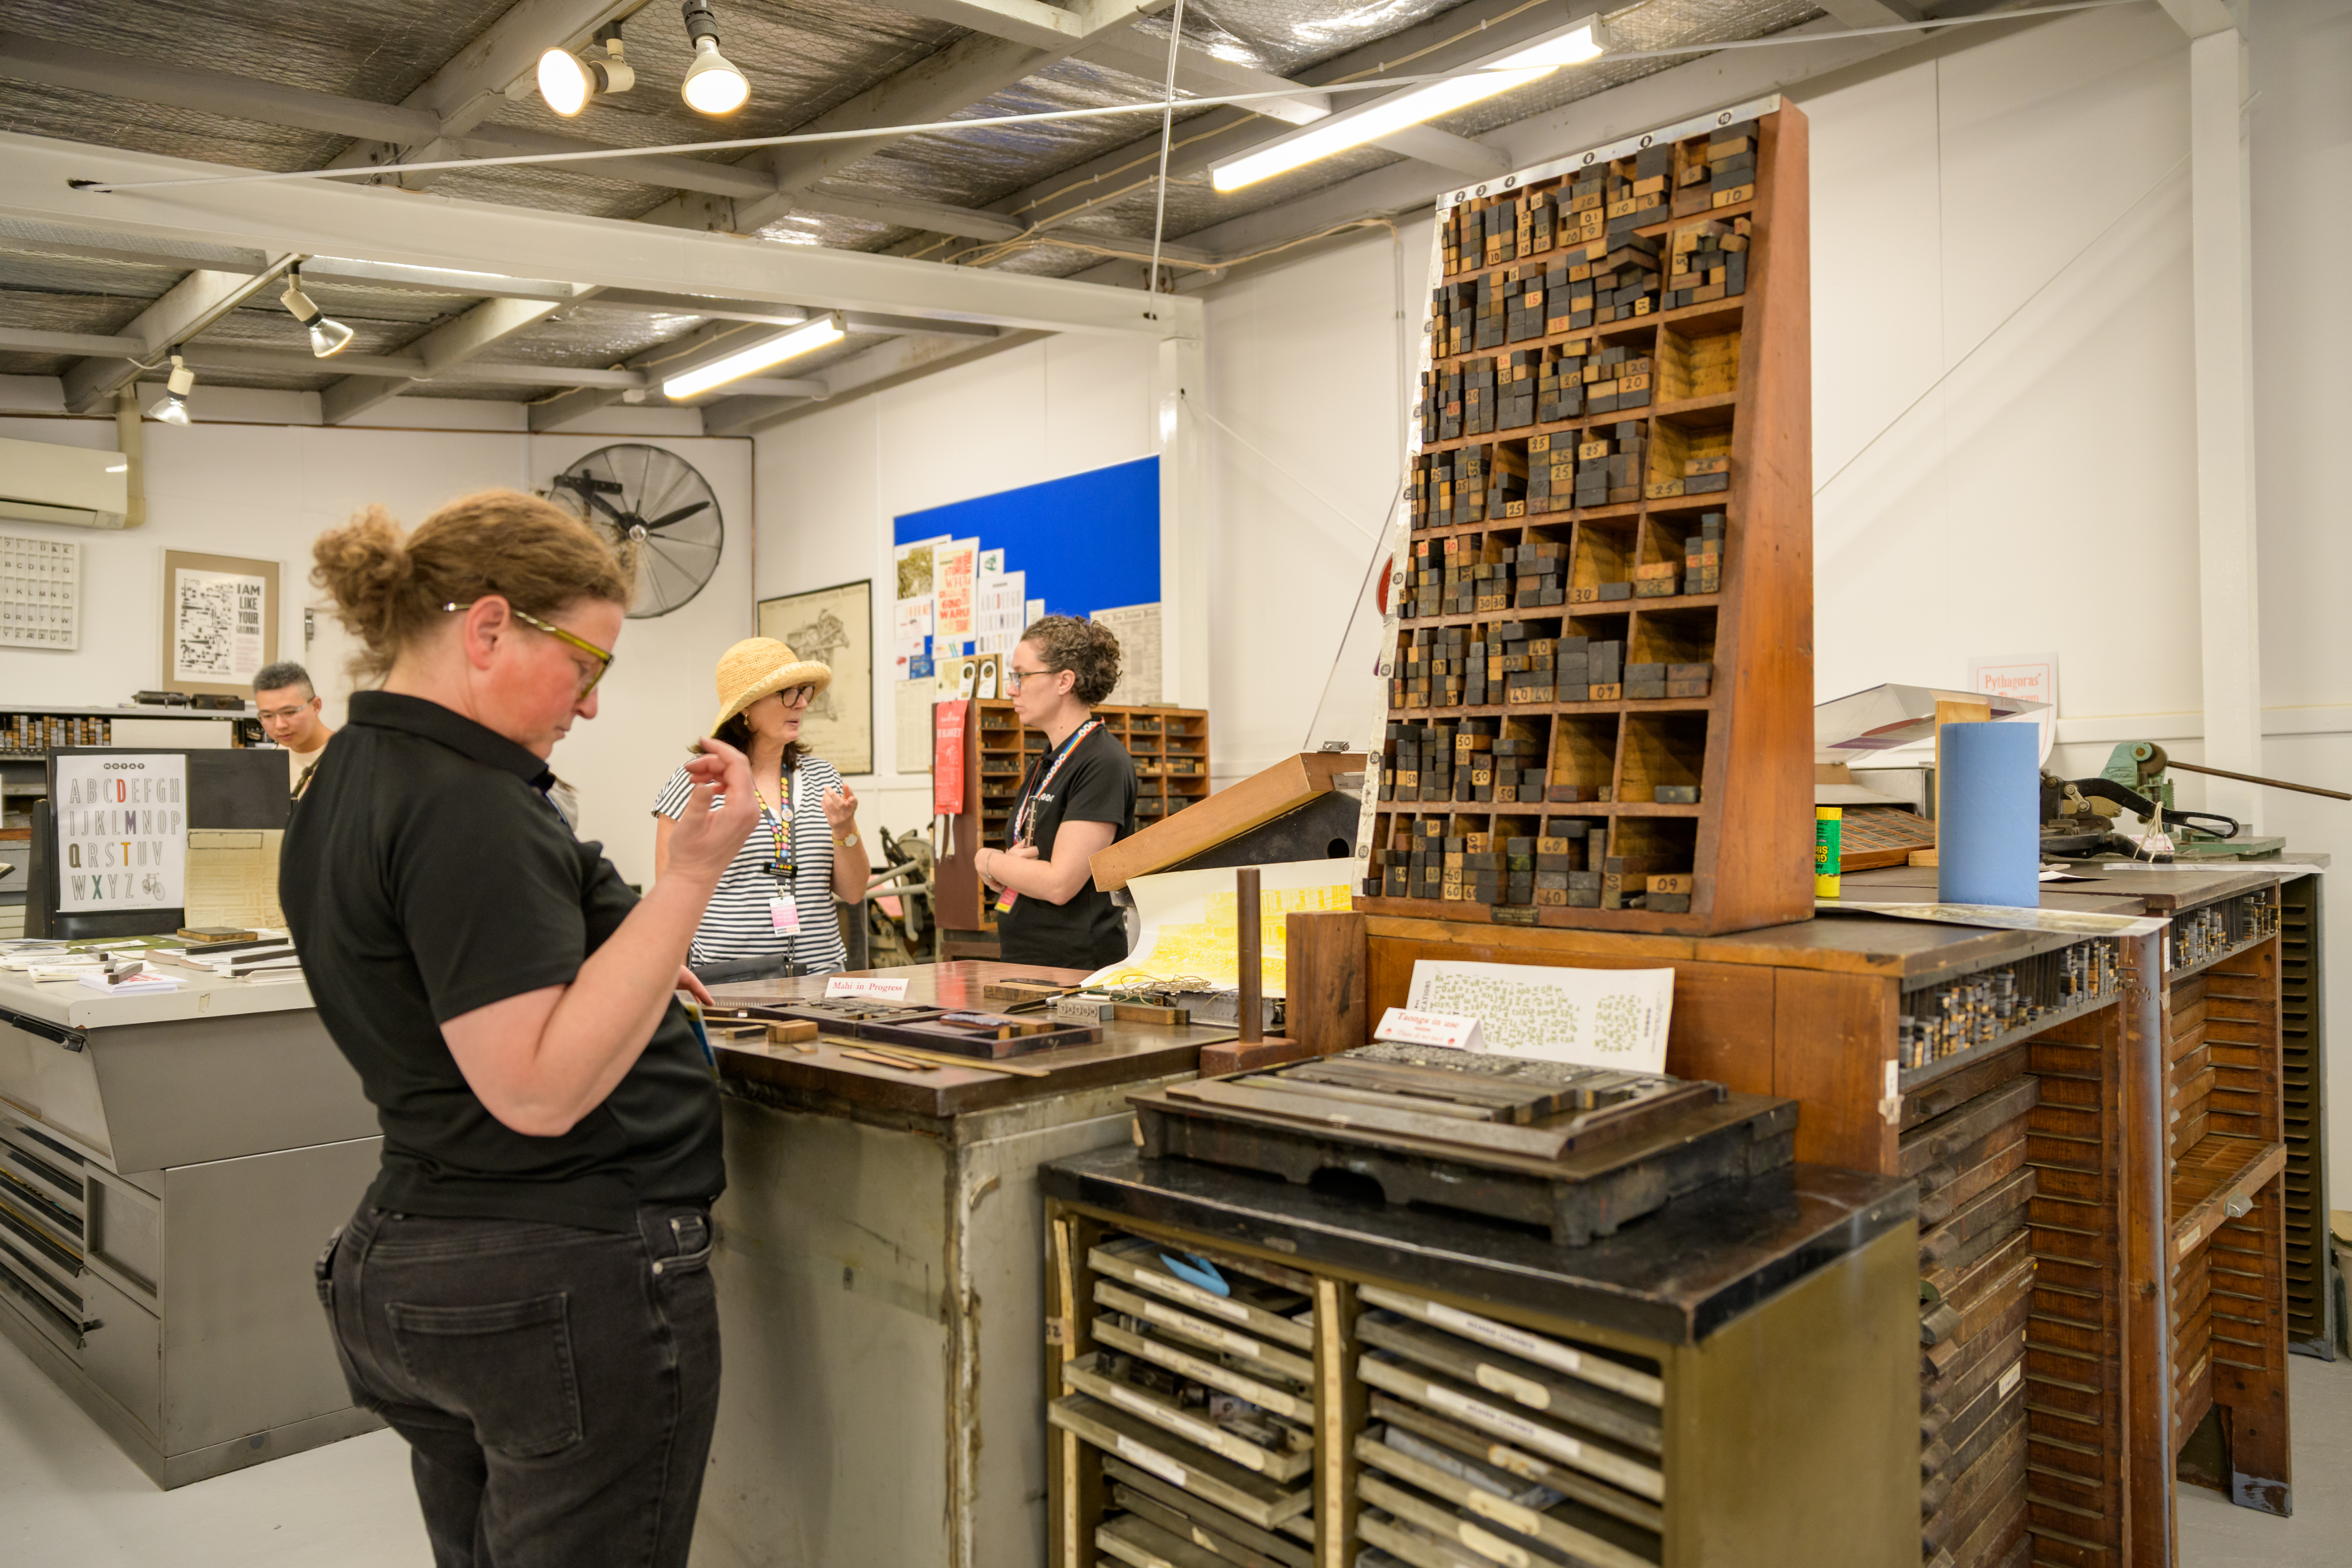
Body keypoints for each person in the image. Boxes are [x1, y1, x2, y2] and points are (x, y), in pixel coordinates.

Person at [279, 490, 756, 1568]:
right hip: (554, 1271)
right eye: (588, 665)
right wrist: (691, 876)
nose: (589, 704)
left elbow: (457, 974)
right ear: (489, 627)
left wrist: (619, 955)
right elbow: (536, 1089)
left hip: (422, 1247)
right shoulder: (468, 807)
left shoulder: (352, 775)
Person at [652, 637, 867, 982]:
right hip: (729, 983)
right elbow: (667, 900)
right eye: (786, 693)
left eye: (804, 691)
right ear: (746, 708)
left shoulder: (823, 777)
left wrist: (844, 829)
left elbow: (855, 892)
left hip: (822, 980)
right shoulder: (699, 780)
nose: (801, 704)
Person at [976, 615, 1137, 971]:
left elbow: (1060, 883)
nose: (1011, 689)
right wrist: (1007, 869)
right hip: (1027, 961)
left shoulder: (1103, 762)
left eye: (1021, 675)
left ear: (1065, 681)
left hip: (1075, 968)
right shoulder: (1046, 765)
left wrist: (988, 861)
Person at [254, 659, 334, 799]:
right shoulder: (266, 766)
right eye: (267, 716)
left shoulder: (349, 758)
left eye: (289, 712)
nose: (279, 725)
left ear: (316, 706)